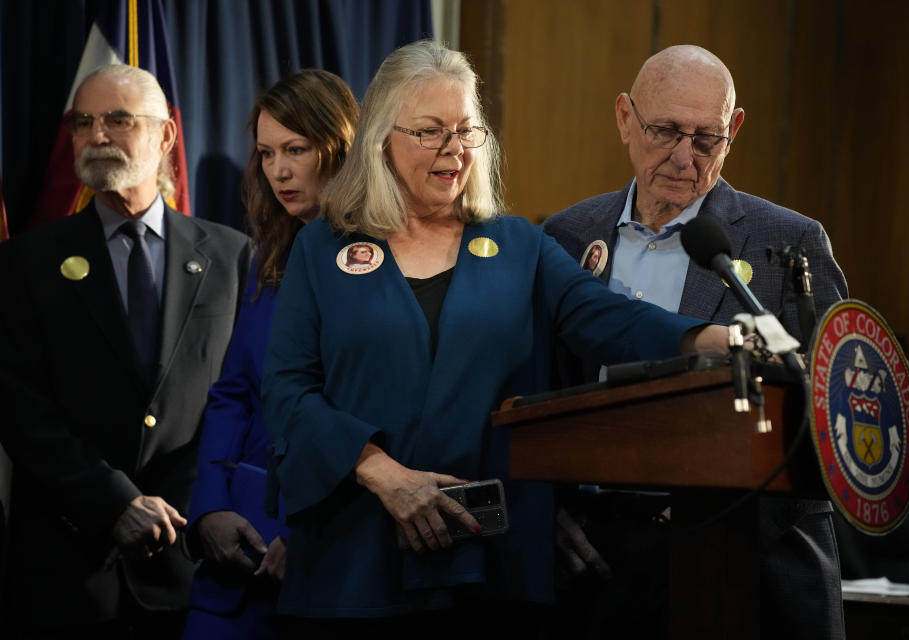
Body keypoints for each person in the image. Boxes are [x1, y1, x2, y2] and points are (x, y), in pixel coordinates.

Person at [260, 39, 729, 634]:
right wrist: (381, 472)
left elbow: (614, 320)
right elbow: (286, 390)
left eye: (467, 130)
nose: (454, 150)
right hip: (353, 564)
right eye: (430, 131)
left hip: (489, 570)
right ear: (382, 137)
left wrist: (714, 341)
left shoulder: (519, 247)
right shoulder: (321, 249)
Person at [543, 44, 848, 638]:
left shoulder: (787, 243)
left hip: (741, 556)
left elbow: (827, 415)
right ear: (624, 119)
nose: (685, 158)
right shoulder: (567, 235)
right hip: (596, 556)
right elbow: (538, 388)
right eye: (666, 132)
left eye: (707, 138)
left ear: (734, 129)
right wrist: (547, 512)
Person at [0, 64, 251, 638]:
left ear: (165, 136)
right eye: (83, 122)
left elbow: (239, 399)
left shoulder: (233, 257)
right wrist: (111, 503)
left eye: (118, 119)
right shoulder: (25, 262)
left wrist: (200, 508)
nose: (97, 136)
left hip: (195, 564)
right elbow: (18, 406)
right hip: (67, 574)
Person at [182, 70, 358, 639]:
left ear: (339, 145)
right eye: (265, 153)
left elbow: (377, 414)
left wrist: (305, 532)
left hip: (333, 555)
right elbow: (233, 392)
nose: (278, 170)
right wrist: (209, 506)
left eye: (296, 150)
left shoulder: (384, 261)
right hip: (234, 555)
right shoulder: (267, 257)